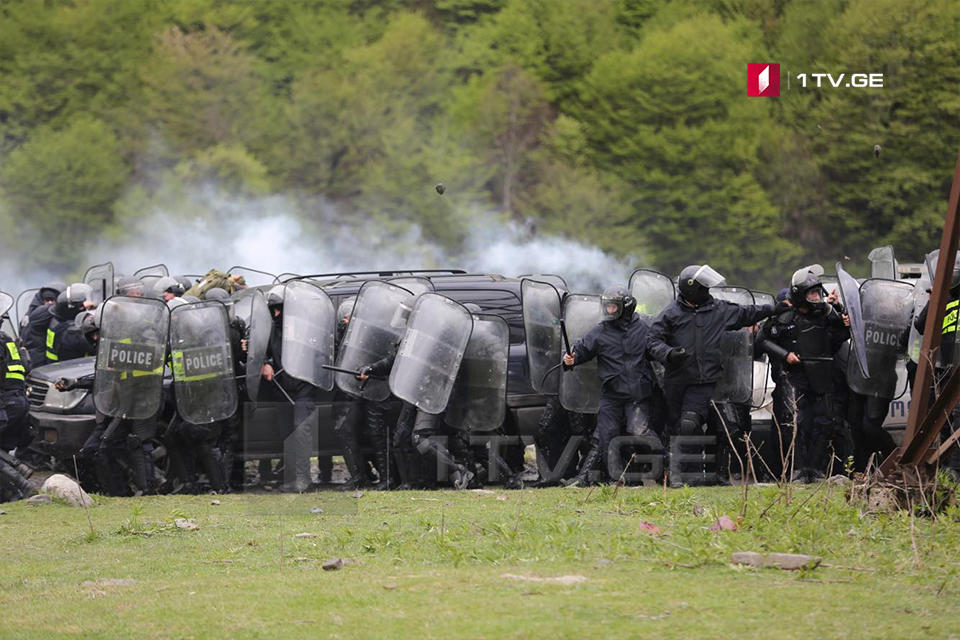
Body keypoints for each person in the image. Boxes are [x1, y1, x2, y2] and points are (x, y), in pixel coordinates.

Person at [647, 265, 774, 486]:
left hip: (704, 381)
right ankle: (682, 474)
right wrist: (668, 354)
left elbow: (748, 313)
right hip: (676, 380)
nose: (707, 290)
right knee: (676, 427)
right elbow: (652, 341)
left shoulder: (719, 310)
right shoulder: (670, 314)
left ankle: (680, 476)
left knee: (689, 423)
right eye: (703, 287)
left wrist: (776, 307)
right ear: (692, 289)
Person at [756, 265, 851, 481]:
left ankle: (815, 470)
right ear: (800, 295)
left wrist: (845, 323)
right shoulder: (784, 317)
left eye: (818, 293)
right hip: (794, 378)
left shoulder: (826, 314)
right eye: (812, 293)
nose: (817, 297)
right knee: (796, 423)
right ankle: (797, 470)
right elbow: (762, 340)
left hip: (821, 377)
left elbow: (837, 337)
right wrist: (785, 354)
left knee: (825, 422)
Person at [561, 286, 659, 486]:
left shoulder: (644, 329)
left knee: (638, 432)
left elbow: (658, 349)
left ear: (626, 307)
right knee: (607, 436)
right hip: (612, 395)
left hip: (638, 394)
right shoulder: (600, 331)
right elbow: (580, 350)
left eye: (613, 307)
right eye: (606, 307)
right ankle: (617, 478)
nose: (608, 311)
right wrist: (570, 359)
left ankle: (662, 466)